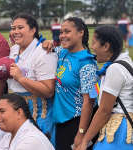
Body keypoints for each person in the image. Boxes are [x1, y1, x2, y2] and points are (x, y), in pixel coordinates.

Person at [0, 13, 57, 145]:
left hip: (39, 114)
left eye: (20, 28)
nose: (15, 32)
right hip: (15, 112)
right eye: (13, 28)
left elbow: (49, 91)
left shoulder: (43, 52)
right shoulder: (14, 49)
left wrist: (20, 78)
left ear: (33, 30)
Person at [76, 25, 133, 150]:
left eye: (94, 42)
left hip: (118, 131)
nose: (92, 47)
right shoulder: (122, 62)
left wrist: (85, 140)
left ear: (106, 46)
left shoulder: (114, 69)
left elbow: (104, 111)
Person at [53, 17, 98, 150]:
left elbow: (90, 100)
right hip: (60, 122)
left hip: (77, 124)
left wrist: (81, 133)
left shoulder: (88, 63)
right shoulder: (62, 52)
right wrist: (48, 43)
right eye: (61, 32)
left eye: (67, 32)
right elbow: (48, 47)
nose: (62, 36)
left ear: (81, 32)